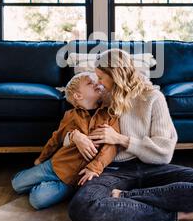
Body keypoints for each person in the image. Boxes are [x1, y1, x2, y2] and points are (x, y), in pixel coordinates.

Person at [67, 49, 193, 221]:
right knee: (82, 210)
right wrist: (74, 136)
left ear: (115, 74)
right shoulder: (102, 98)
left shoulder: (153, 98)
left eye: (101, 77)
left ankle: (126, 197)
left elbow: (164, 154)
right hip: (113, 171)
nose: (98, 83)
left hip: (153, 168)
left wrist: (121, 139)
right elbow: (72, 118)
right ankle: (179, 214)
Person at [11, 72, 119, 210]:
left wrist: (95, 168)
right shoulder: (70, 115)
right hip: (56, 165)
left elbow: (111, 147)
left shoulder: (110, 115)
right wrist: (41, 158)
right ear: (78, 96)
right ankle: (42, 179)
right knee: (16, 184)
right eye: (90, 83)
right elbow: (56, 138)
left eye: (97, 81)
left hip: (73, 180)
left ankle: (50, 186)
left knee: (37, 200)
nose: (97, 84)